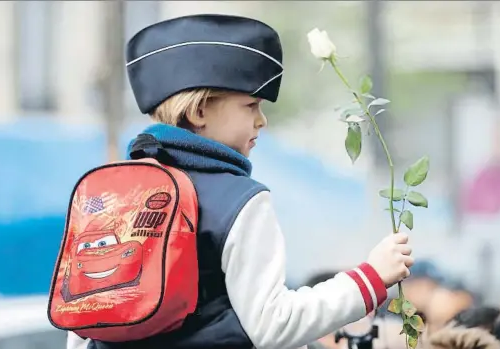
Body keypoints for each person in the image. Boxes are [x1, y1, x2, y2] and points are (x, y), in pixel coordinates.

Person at [67, 14, 414, 349]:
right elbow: (273, 325)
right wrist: (371, 277)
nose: (261, 121)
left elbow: (82, 322)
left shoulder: (110, 194)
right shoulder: (238, 199)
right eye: (251, 105)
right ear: (199, 111)